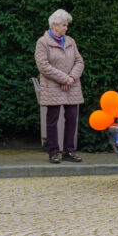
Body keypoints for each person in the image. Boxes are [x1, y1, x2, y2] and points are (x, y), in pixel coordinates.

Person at [35, 9, 85, 164]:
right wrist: (64, 79)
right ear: (54, 25)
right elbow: (43, 66)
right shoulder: (42, 42)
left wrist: (71, 78)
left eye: (66, 25)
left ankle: (69, 151)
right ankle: (53, 152)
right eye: (64, 25)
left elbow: (79, 61)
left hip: (72, 86)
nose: (66, 28)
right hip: (53, 86)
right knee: (52, 119)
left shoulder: (70, 41)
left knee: (72, 118)